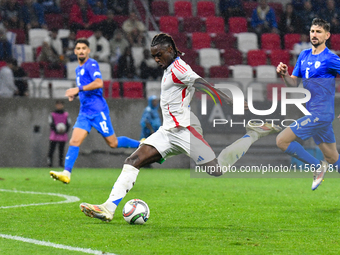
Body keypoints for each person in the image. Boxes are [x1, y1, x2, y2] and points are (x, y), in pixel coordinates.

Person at [79, 33, 281, 222]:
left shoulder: (179, 68)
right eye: (153, 56)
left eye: (159, 55)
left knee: (216, 170)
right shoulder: (168, 68)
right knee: (133, 160)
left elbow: (202, 84)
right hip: (167, 132)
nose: (156, 59)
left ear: (170, 50)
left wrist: (229, 100)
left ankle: (253, 134)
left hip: (185, 131)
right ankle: (108, 208)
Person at [50, 38, 140, 184]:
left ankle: (141, 144)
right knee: (74, 141)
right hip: (84, 112)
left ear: (88, 51)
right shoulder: (78, 69)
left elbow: (99, 83)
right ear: (75, 51)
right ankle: (67, 173)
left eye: (83, 48)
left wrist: (77, 89)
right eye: (78, 48)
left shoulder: (91, 64)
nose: (81, 51)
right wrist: (76, 94)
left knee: (113, 143)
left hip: (98, 110)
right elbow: (87, 87)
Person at [276, 18, 340, 191]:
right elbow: (293, 83)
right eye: (312, 31)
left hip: (321, 114)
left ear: (327, 35)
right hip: (313, 113)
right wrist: (284, 74)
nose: (314, 34)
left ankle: (317, 166)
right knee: (333, 158)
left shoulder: (331, 58)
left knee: (281, 140)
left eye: (318, 32)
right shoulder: (304, 55)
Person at [47, 100, 71, 168]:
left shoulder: (66, 114)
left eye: (61, 105)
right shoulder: (52, 114)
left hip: (63, 136)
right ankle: (50, 163)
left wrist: (64, 130)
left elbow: (68, 124)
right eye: (58, 104)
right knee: (51, 149)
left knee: (61, 151)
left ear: (63, 105)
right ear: (56, 105)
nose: (59, 106)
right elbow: (51, 123)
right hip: (54, 135)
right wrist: (57, 130)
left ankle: (60, 164)